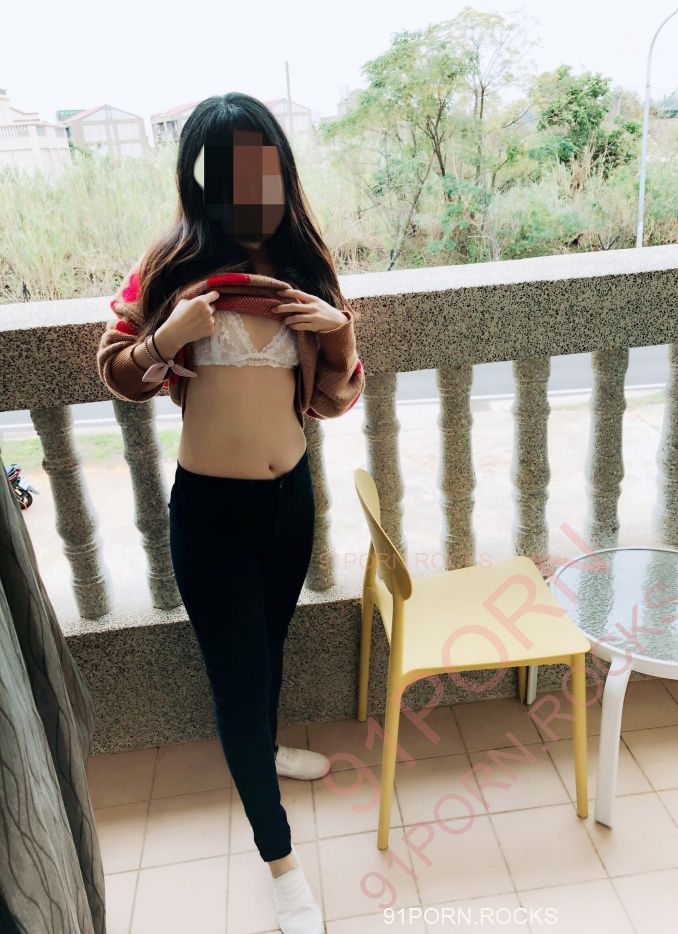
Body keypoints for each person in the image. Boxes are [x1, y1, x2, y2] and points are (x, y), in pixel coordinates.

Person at [96, 92, 365, 934]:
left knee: (268, 652)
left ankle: (267, 750)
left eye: (264, 167)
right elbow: (118, 369)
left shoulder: (303, 262)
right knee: (238, 682)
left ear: (279, 168)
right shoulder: (171, 265)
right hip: (210, 514)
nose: (253, 186)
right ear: (204, 179)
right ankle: (281, 865)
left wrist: (340, 332)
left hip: (290, 504)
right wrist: (168, 336)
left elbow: (332, 401)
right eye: (233, 171)